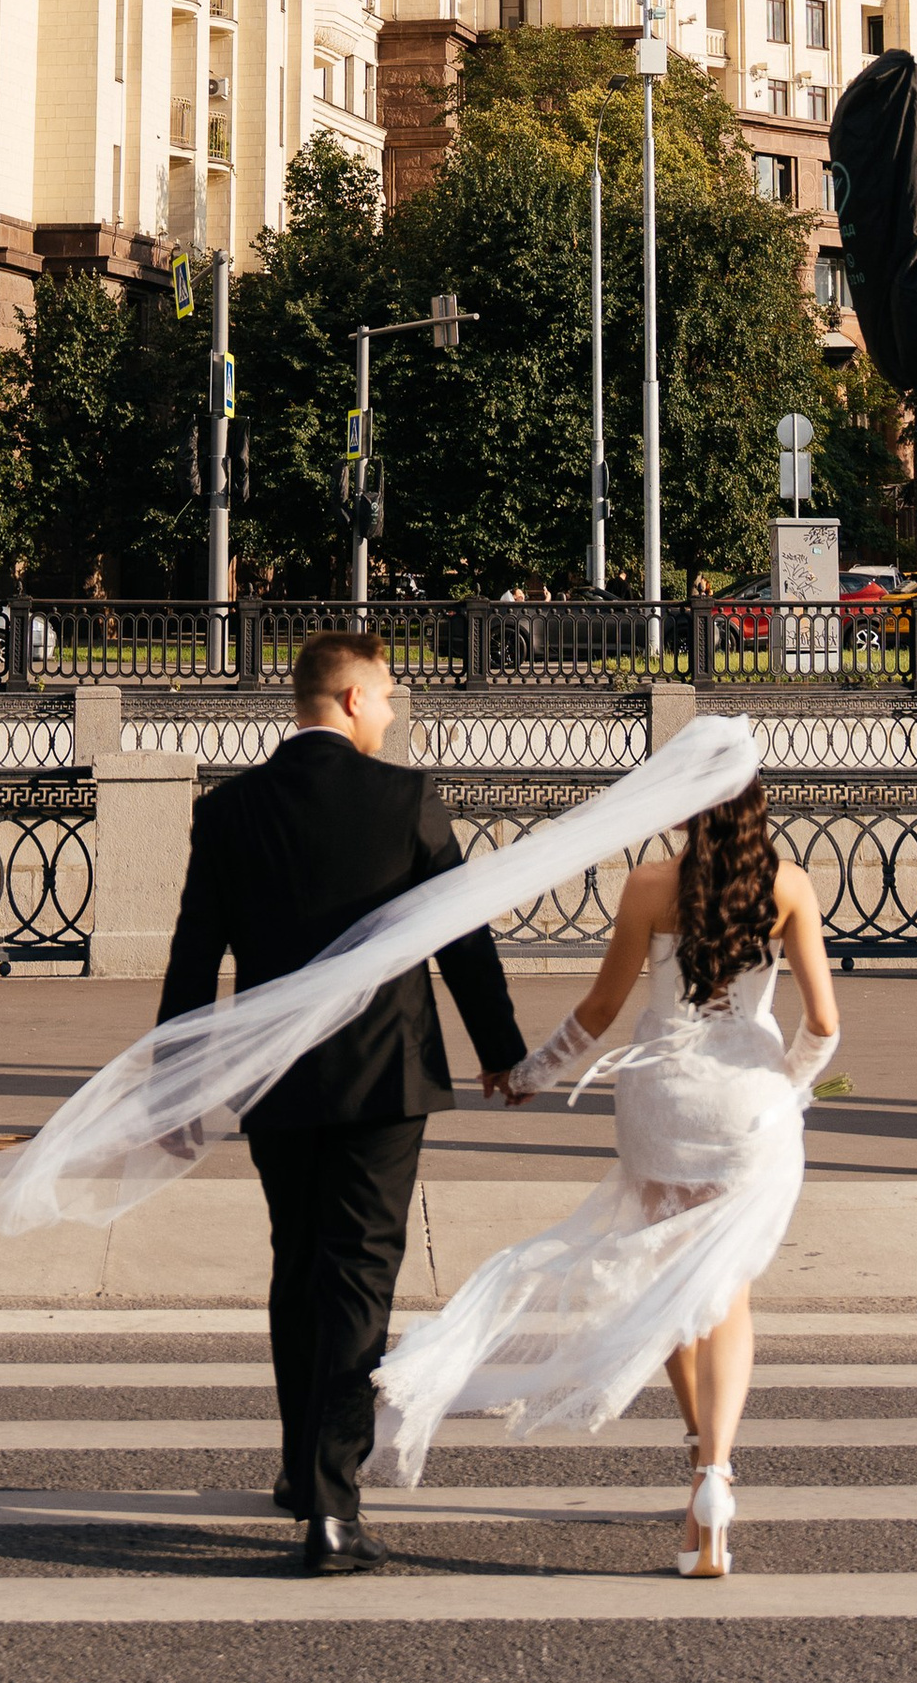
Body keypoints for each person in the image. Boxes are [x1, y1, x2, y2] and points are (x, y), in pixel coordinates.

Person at [371, 767, 839, 1581]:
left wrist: (525, 1075)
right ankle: (715, 1476)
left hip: (662, 1103)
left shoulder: (650, 885)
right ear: (759, 805)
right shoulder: (789, 885)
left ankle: (700, 1457)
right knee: (726, 1293)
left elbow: (598, 1010)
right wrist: (787, 1091)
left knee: (667, 1286)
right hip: (746, 1108)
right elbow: (825, 1025)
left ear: (689, 808)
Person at [153, 629, 526, 1577]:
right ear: (354, 699)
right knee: (360, 1277)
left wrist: (178, 1081)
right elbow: (462, 942)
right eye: (390, 694)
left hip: (274, 1076)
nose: (395, 710)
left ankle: (296, 1468)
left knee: (297, 1267)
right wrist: (502, 1052)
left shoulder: (230, 810)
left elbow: (197, 955)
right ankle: (331, 1504)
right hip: (384, 1077)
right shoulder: (405, 798)